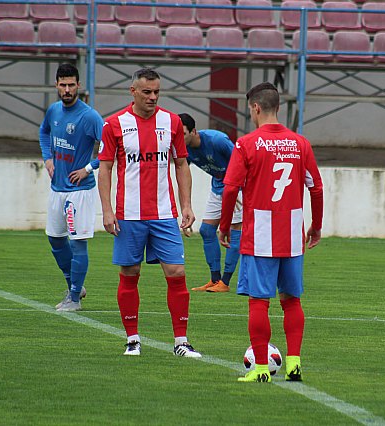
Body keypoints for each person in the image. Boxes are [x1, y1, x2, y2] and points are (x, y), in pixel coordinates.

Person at [218, 82, 324, 382]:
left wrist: (224, 226)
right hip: (292, 233)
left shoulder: (246, 144)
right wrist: (316, 226)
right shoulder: (300, 143)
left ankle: (262, 368)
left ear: (255, 108)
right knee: (291, 301)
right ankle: (294, 364)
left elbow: (230, 190)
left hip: (260, 233)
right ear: (277, 107)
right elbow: (315, 188)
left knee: (259, 302)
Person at [98, 68, 202, 358]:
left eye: (157, 92)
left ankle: (181, 342)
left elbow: (181, 165)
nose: (153, 97)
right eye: (147, 92)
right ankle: (132, 339)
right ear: (133, 91)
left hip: (164, 213)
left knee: (177, 273)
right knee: (130, 274)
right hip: (128, 214)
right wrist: (107, 210)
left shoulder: (171, 122)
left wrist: (187, 205)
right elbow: (104, 169)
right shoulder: (114, 124)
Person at [39, 63, 104, 312]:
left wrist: (88, 168)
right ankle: (74, 285)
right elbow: (44, 132)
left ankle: (74, 298)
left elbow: (111, 147)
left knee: (77, 243)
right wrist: (47, 157)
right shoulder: (54, 111)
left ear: (79, 86)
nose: (67, 89)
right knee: (55, 238)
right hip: (57, 188)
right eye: (63, 85)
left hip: (80, 191)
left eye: (71, 85)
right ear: (56, 85)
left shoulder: (89, 116)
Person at [178, 113, 242, 293]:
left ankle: (226, 282)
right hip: (218, 187)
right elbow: (182, 175)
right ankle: (215, 280)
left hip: (238, 187)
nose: (178, 138)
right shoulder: (184, 149)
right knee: (207, 230)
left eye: (182, 133)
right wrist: (186, 207)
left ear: (193, 131)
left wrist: (237, 188)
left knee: (235, 231)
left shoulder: (217, 140)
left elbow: (242, 161)